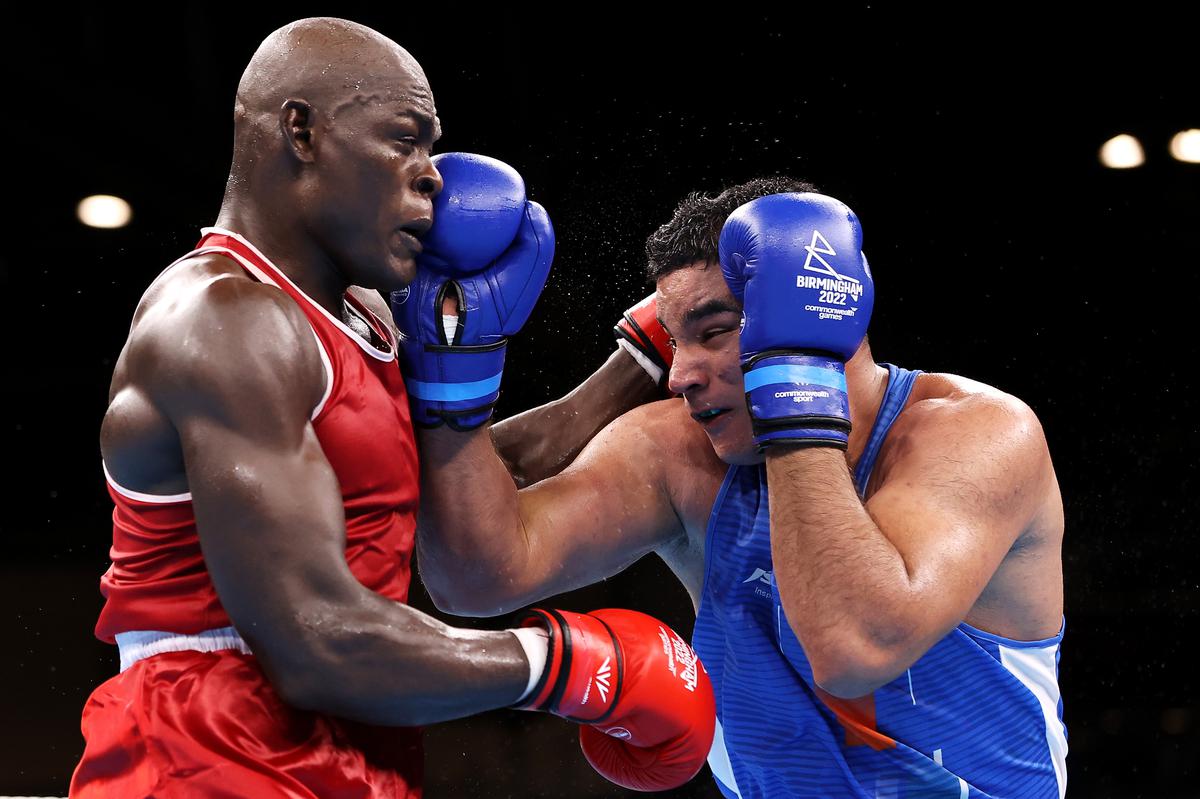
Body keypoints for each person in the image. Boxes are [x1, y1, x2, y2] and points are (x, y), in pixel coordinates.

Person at [71, 17, 714, 797]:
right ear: (300, 130)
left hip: (355, 747)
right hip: (203, 752)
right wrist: (567, 664)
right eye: (404, 140)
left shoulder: (362, 313)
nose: (433, 175)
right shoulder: (221, 319)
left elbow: (465, 474)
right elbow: (314, 640)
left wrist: (644, 352)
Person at [411, 177, 1068, 797]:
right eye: (674, 340)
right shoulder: (679, 453)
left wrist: (796, 382)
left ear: (818, 313)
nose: (680, 375)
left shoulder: (978, 436)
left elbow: (853, 648)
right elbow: (477, 574)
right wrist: (454, 377)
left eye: (715, 332)